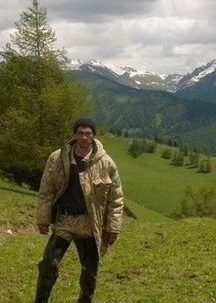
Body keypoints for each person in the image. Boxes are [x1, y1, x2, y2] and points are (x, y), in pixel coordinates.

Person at [34, 117, 124, 303]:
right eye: (80, 133)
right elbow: (46, 190)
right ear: (75, 134)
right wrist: (43, 218)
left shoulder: (107, 164)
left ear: (93, 136)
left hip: (90, 224)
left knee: (89, 272)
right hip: (65, 221)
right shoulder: (57, 158)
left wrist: (113, 227)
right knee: (49, 265)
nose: (84, 137)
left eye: (88, 134)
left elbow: (116, 198)